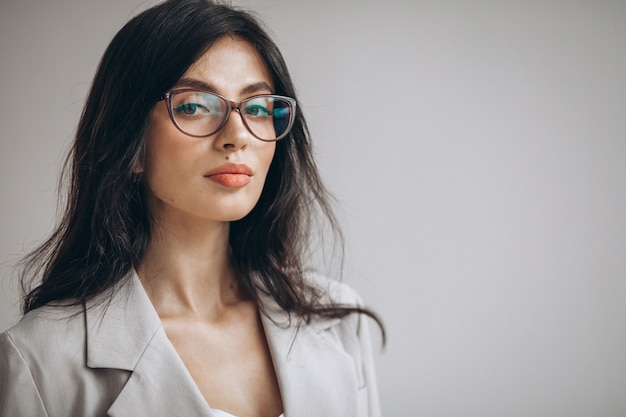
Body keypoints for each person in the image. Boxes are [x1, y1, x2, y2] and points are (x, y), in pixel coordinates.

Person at [0, 1, 384, 416]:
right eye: (194, 105)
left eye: (256, 107)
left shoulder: (340, 321)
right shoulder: (40, 360)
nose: (237, 135)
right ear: (130, 145)